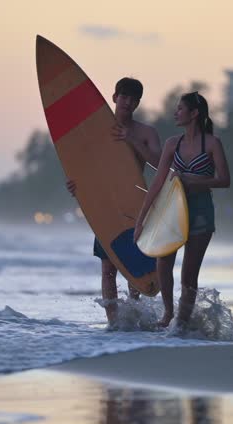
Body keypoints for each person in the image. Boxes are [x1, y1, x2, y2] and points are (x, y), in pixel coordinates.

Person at [66, 77, 161, 325]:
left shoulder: (145, 133)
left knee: (135, 268)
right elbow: (87, 168)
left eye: (133, 99)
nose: (127, 103)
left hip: (136, 206)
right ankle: (113, 322)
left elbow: (159, 163)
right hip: (108, 207)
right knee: (108, 269)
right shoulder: (98, 133)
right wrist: (77, 186)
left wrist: (131, 139)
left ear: (137, 103)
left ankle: (137, 315)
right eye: (124, 97)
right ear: (114, 97)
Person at [133, 91, 230, 327]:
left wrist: (194, 180)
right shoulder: (171, 144)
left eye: (180, 109)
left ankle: (183, 322)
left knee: (189, 274)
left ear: (194, 113)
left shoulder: (212, 143)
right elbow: (157, 183)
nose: (176, 112)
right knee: (163, 263)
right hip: (171, 210)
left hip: (200, 211)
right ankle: (168, 315)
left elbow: (225, 180)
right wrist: (141, 220)